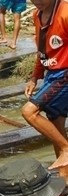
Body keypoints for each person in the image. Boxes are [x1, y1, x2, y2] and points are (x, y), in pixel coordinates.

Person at [21, 0, 68, 182]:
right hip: (52, 73)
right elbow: (42, 50)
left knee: (29, 111)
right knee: (56, 124)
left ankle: (66, 149)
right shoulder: (37, 15)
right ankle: (65, 178)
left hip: (65, 74)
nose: (37, 1)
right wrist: (35, 77)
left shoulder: (65, 12)